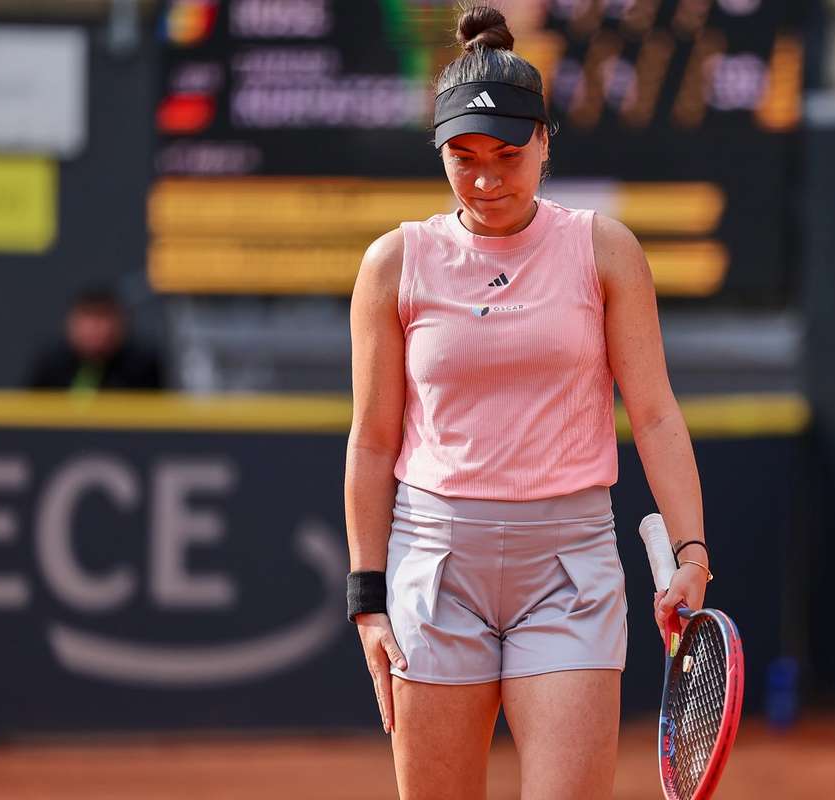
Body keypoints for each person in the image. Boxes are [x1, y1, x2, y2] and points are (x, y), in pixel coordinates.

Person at [343, 7, 710, 798]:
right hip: (436, 567)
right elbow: (372, 441)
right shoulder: (392, 264)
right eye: (462, 157)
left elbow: (653, 413)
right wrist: (367, 601)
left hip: (568, 569)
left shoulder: (604, 249)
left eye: (508, 155)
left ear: (546, 140)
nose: (485, 179)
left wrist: (691, 553)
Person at [28, 287, 164, 391]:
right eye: (87, 317)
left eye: (102, 318)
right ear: (71, 323)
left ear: (121, 323)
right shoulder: (52, 365)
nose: (95, 329)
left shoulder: (142, 368)